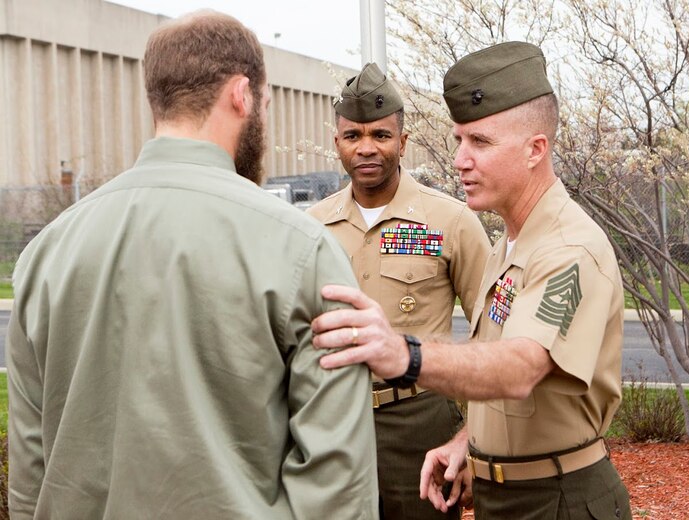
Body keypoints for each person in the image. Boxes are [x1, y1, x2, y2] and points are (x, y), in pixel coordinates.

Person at [7, 11, 378, 519]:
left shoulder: (44, 255)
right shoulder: (302, 250)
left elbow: (31, 474)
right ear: (242, 94)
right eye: (265, 105)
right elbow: (337, 484)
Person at [310, 41, 632, 519]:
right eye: (459, 140)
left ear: (534, 149)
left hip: (556, 498)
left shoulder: (568, 250)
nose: (460, 159)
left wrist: (402, 353)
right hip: (503, 492)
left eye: (480, 142)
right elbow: (501, 371)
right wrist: (467, 441)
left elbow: (521, 368)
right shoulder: (510, 244)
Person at [307, 62, 490, 520]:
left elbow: (497, 336)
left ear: (402, 142)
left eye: (381, 135)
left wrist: (471, 438)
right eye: (353, 136)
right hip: (333, 424)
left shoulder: (451, 222)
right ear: (337, 144)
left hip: (420, 421)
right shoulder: (309, 230)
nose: (366, 148)